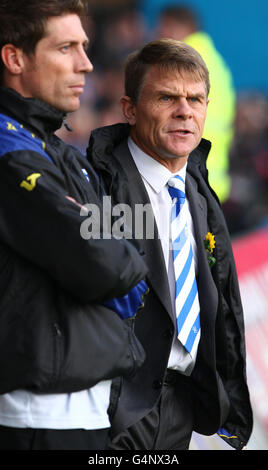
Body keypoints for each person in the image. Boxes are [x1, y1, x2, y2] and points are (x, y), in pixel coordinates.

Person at [87, 38, 253, 450]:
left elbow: (221, 301)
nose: (185, 111)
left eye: (196, 99)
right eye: (167, 97)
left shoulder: (197, 190)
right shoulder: (98, 187)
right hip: (113, 411)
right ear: (129, 109)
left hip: (180, 406)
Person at [0, 0, 148, 450]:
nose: (86, 64)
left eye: (84, 46)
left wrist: (99, 234)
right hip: (33, 417)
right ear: (15, 58)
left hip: (90, 410)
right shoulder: (9, 148)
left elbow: (135, 244)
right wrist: (102, 237)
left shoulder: (61, 152)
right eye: (66, 47)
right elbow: (103, 263)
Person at [156, 5, 236, 203]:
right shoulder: (214, 61)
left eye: (161, 28)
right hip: (210, 177)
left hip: (187, 176)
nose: (157, 35)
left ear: (175, 27)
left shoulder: (183, 62)